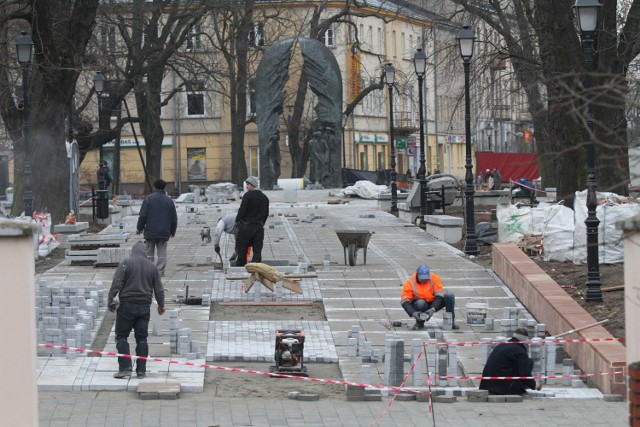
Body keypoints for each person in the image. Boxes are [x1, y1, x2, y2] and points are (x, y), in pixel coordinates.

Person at [107, 241, 165, 379]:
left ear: (133, 252)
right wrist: (161, 305)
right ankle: (141, 371)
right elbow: (158, 288)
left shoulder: (126, 263)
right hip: (144, 307)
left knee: (121, 337)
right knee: (142, 339)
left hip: (126, 306)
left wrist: (110, 299)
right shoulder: (152, 267)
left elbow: (116, 283)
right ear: (144, 253)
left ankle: (125, 368)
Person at [479, 328, 541, 395]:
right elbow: (524, 373)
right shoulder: (520, 351)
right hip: (501, 388)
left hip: (486, 385)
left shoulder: (502, 345)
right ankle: (520, 387)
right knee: (528, 362)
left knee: (519, 363)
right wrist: (534, 385)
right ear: (524, 340)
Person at [136, 179, 178, 277]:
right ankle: (160, 271)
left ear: (154, 187)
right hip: (164, 231)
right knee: (162, 253)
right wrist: (172, 231)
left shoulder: (148, 199)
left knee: (149, 253)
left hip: (150, 231)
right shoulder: (169, 201)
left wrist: (139, 228)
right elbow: (174, 218)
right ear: (164, 187)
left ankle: (149, 272)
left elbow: (143, 215)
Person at [401, 265, 458, 330]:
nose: (424, 280)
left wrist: (433, 308)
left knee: (449, 296)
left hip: (434, 303)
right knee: (420, 303)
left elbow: (439, 295)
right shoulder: (410, 282)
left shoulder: (434, 278)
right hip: (420, 304)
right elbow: (404, 301)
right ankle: (420, 323)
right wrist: (413, 312)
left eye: (426, 278)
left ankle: (450, 322)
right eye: (422, 278)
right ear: (417, 275)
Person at [234, 176, 269, 267]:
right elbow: (266, 213)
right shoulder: (265, 198)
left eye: (248, 184)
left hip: (247, 227)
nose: (246, 186)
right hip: (259, 227)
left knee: (241, 248)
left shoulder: (248, 196)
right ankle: (256, 269)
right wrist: (261, 223)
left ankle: (240, 269)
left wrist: (237, 221)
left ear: (253, 185)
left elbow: (242, 210)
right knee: (257, 250)